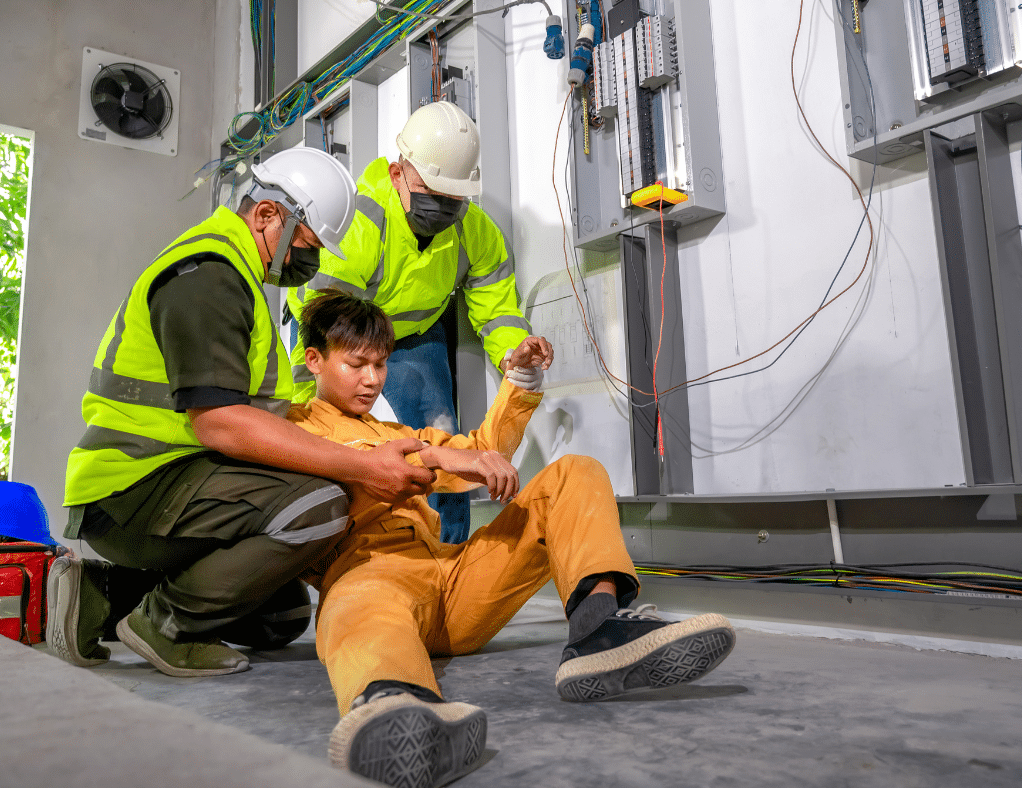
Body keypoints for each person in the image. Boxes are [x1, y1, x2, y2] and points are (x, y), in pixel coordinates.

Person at [290, 290, 736, 788]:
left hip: (452, 581)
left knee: (573, 472)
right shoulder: (292, 430)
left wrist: (518, 381)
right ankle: (400, 704)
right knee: (359, 606)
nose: (372, 379)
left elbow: (480, 452)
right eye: (356, 364)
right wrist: (436, 459)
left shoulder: (395, 429)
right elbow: (365, 474)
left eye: (380, 364)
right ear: (315, 360)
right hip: (370, 575)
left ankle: (596, 630)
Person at [49, 147, 437, 678]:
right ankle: (165, 625)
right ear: (267, 215)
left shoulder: (235, 279)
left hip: (170, 479)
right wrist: (365, 467)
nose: (312, 262)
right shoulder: (207, 279)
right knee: (320, 505)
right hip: (135, 487)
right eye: (307, 244)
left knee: (280, 617)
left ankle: (102, 596)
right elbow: (221, 422)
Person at [287, 100, 547, 545]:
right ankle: (341, 545)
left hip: (413, 336)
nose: (443, 207)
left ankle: (449, 551)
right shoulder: (359, 224)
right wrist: (305, 405)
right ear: (397, 175)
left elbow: (497, 306)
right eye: (432, 192)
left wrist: (513, 352)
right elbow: (321, 321)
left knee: (439, 435)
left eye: (453, 197)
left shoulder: (476, 232)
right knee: (331, 437)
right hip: (338, 331)